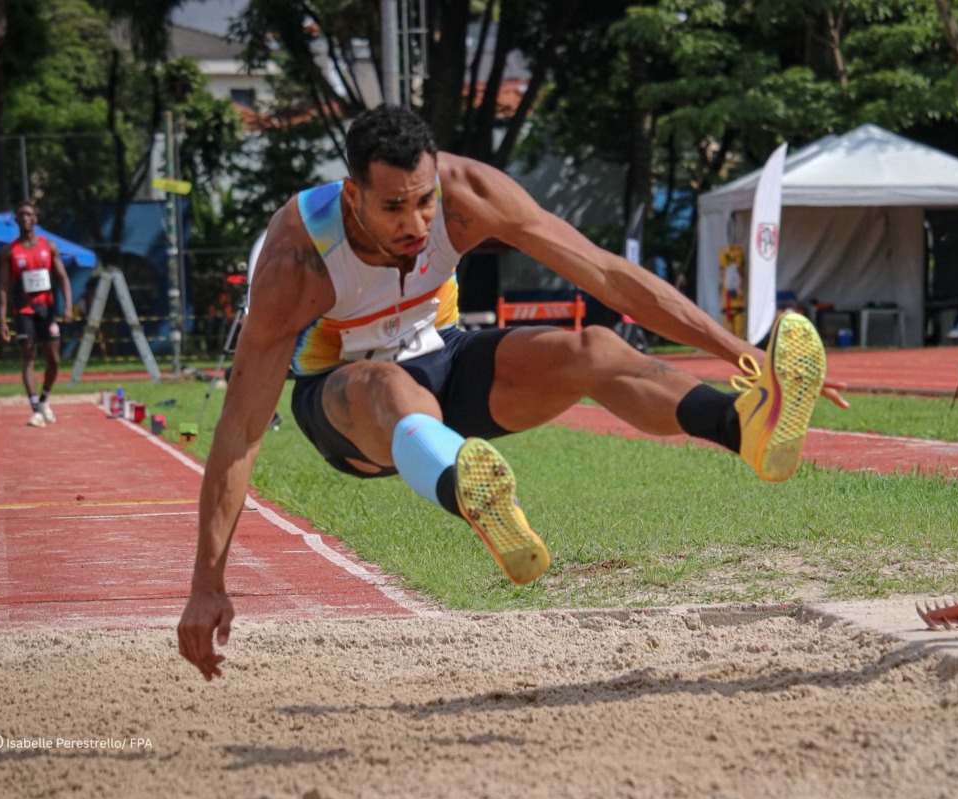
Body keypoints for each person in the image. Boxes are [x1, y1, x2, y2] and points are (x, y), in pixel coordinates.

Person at [177, 105, 848, 681]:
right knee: (386, 385)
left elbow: (609, 276)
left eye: (425, 199)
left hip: (446, 361)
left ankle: (743, 426)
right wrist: (208, 582)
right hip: (347, 403)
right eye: (392, 207)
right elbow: (240, 430)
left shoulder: (469, 194)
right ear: (352, 195)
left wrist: (740, 352)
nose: (416, 222)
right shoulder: (297, 260)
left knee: (595, 348)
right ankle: (465, 490)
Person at [0, 201, 74, 428]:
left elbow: (62, 278)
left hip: (46, 310)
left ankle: (44, 401)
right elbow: (3, 286)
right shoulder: (10, 251)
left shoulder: (48, 246)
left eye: (29, 214)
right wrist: (3, 319)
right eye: (21, 214)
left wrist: (68, 306)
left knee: (54, 360)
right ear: (16, 220)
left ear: (36, 219)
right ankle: (34, 406)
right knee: (28, 356)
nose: (25, 218)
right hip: (23, 311)